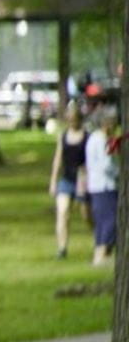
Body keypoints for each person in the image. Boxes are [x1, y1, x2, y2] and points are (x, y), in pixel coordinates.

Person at [49, 105, 89, 259]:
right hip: (66, 180)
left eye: (75, 120)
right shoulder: (63, 136)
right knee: (63, 212)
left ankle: (99, 241)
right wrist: (53, 181)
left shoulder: (86, 137)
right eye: (70, 120)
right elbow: (58, 159)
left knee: (86, 214)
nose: (72, 122)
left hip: (82, 181)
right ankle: (62, 248)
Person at [85, 108, 119, 267]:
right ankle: (102, 253)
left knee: (101, 220)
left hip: (95, 185)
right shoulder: (102, 140)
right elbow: (107, 165)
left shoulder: (92, 139)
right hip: (106, 185)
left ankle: (99, 252)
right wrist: (119, 173)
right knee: (111, 220)